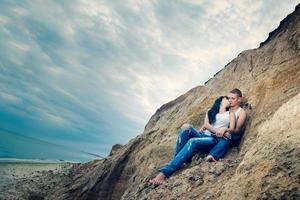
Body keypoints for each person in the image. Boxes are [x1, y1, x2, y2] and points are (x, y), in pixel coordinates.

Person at [150, 88, 246, 185]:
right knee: (186, 128)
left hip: (217, 138)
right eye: (228, 98)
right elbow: (213, 121)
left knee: (194, 141)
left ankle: (166, 172)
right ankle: (178, 160)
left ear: (239, 99)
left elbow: (236, 130)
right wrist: (205, 126)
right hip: (207, 135)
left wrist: (223, 130)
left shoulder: (238, 112)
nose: (230, 100)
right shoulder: (222, 109)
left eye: (232, 98)